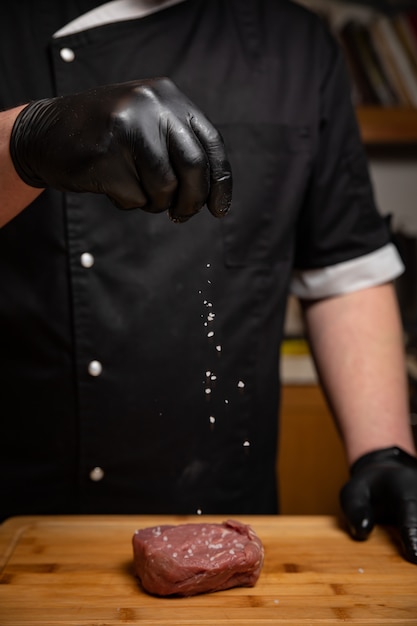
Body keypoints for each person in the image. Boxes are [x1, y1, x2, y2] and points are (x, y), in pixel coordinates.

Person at [1, 0, 416, 564]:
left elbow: (344, 270)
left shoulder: (296, 44)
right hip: (17, 509)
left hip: (223, 505)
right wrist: (24, 142)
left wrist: (383, 451)